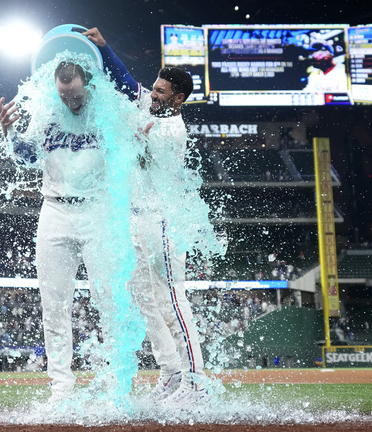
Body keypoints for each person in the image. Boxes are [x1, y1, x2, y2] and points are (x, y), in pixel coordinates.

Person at [0, 57, 145, 405]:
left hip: (98, 211)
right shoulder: (48, 111)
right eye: (64, 94)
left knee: (109, 302)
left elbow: (135, 108)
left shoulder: (108, 111)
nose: (70, 100)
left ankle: (116, 387)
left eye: (75, 93)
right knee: (54, 305)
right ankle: (60, 388)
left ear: (87, 83)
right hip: (55, 210)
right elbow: (25, 157)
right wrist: (9, 132)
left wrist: (138, 139)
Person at [83, 27, 217, 404]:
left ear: (178, 98)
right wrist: (105, 50)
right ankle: (171, 371)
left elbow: (129, 119)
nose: (152, 94)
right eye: (154, 89)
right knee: (144, 297)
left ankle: (197, 381)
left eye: (159, 92)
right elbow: (128, 85)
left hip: (162, 222)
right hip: (136, 220)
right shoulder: (152, 107)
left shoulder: (172, 130)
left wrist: (98, 99)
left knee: (173, 300)